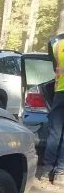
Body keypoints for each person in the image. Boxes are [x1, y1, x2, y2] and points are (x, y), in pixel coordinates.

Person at [39, 32, 64, 183]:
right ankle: (61, 173)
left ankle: (46, 169)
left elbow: (55, 66)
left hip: (60, 93)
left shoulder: (57, 44)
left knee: (55, 132)